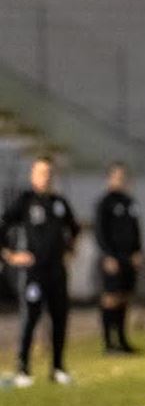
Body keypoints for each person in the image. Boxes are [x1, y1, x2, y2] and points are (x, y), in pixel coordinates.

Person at [0, 156, 80, 387]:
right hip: (33, 271)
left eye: (49, 173)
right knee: (30, 318)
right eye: (41, 172)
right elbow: (3, 225)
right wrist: (10, 255)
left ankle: (57, 368)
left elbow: (74, 228)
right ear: (32, 175)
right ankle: (22, 368)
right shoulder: (25, 200)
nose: (46, 177)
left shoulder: (59, 202)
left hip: (57, 270)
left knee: (59, 318)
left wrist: (70, 250)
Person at [95, 162, 143, 354]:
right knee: (111, 297)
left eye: (123, 177)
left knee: (124, 297)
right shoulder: (105, 203)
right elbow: (100, 232)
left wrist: (138, 251)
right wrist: (107, 255)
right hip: (113, 257)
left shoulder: (130, 203)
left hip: (129, 257)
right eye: (117, 176)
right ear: (109, 179)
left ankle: (122, 339)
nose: (121, 180)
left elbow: (136, 229)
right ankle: (108, 342)